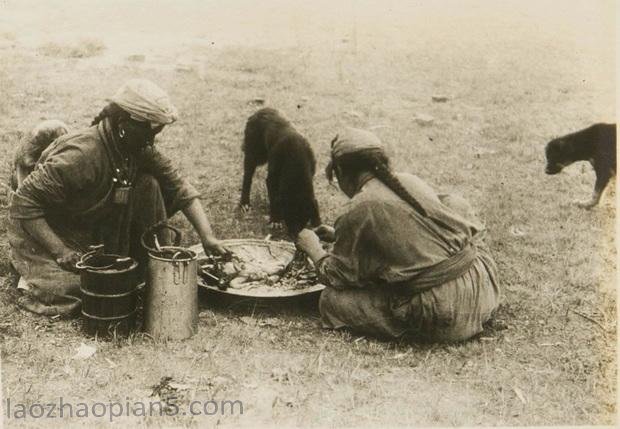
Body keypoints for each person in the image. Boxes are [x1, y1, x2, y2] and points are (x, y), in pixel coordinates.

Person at [8, 79, 227, 316]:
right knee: (85, 291)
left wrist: (208, 237)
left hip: (91, 228)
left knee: (149, 184)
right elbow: (24, 203)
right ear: (124, 123)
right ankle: (31, 274)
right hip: (50, 230)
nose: (152, 141)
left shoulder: (133, 146)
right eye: (149, 133)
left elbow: (179, 186)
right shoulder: (82, 154)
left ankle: (149, 263)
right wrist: (60, 251)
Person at [295, 128, 500, 342]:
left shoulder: (358, 208)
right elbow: (410, 236)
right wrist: (341, 235)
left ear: (341, 170)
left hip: (447, 309)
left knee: (331, 301)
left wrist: (314, 249)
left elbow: (337, 276)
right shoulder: (408, 180)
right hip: (482, 284)